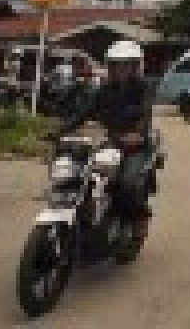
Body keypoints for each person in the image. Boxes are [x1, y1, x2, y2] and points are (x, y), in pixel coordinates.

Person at [56, 40, 154, 233]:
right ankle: (86, 215)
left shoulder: (144, 88)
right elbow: (85, 112)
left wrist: (137, 133)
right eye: (116, 64)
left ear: (135, 66)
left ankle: (140, 218)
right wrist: (60, 130)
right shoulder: (104, 89)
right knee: (78, 174)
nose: (121, 69)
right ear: (110, 66)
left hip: (136, 146)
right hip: (110, 142)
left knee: (127, 183)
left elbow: (145, 113)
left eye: (126, 64)